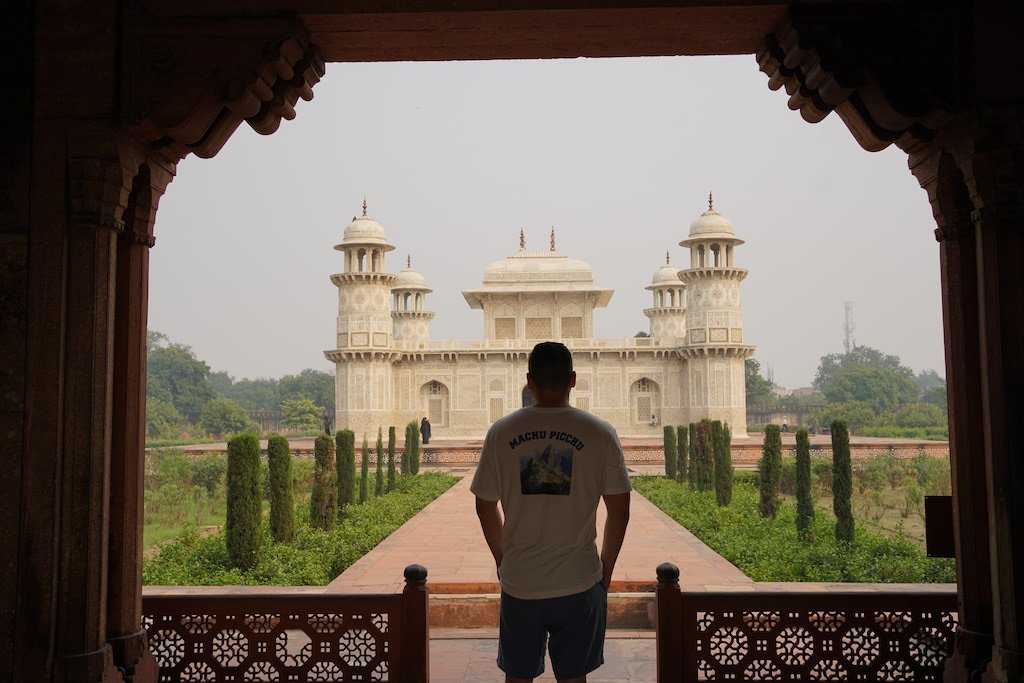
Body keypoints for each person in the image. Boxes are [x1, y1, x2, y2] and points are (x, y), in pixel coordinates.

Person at [472, 341, 631, 683]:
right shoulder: (600, 433)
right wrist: (605, 571)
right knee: (574, 678)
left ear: (529, 381)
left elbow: (484, 506)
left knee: (518, 676)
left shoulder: (501, 432)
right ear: (573, 379)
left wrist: (504, 559)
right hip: (579, 579)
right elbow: (619, 512)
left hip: (521, 582)